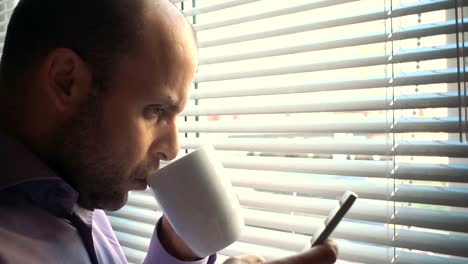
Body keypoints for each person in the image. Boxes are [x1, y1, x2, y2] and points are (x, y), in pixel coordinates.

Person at [0, 0, 338, 263]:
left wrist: (178, 251)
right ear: (66, 81)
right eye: (156, 111)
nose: (172, 148)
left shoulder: (75, 188)